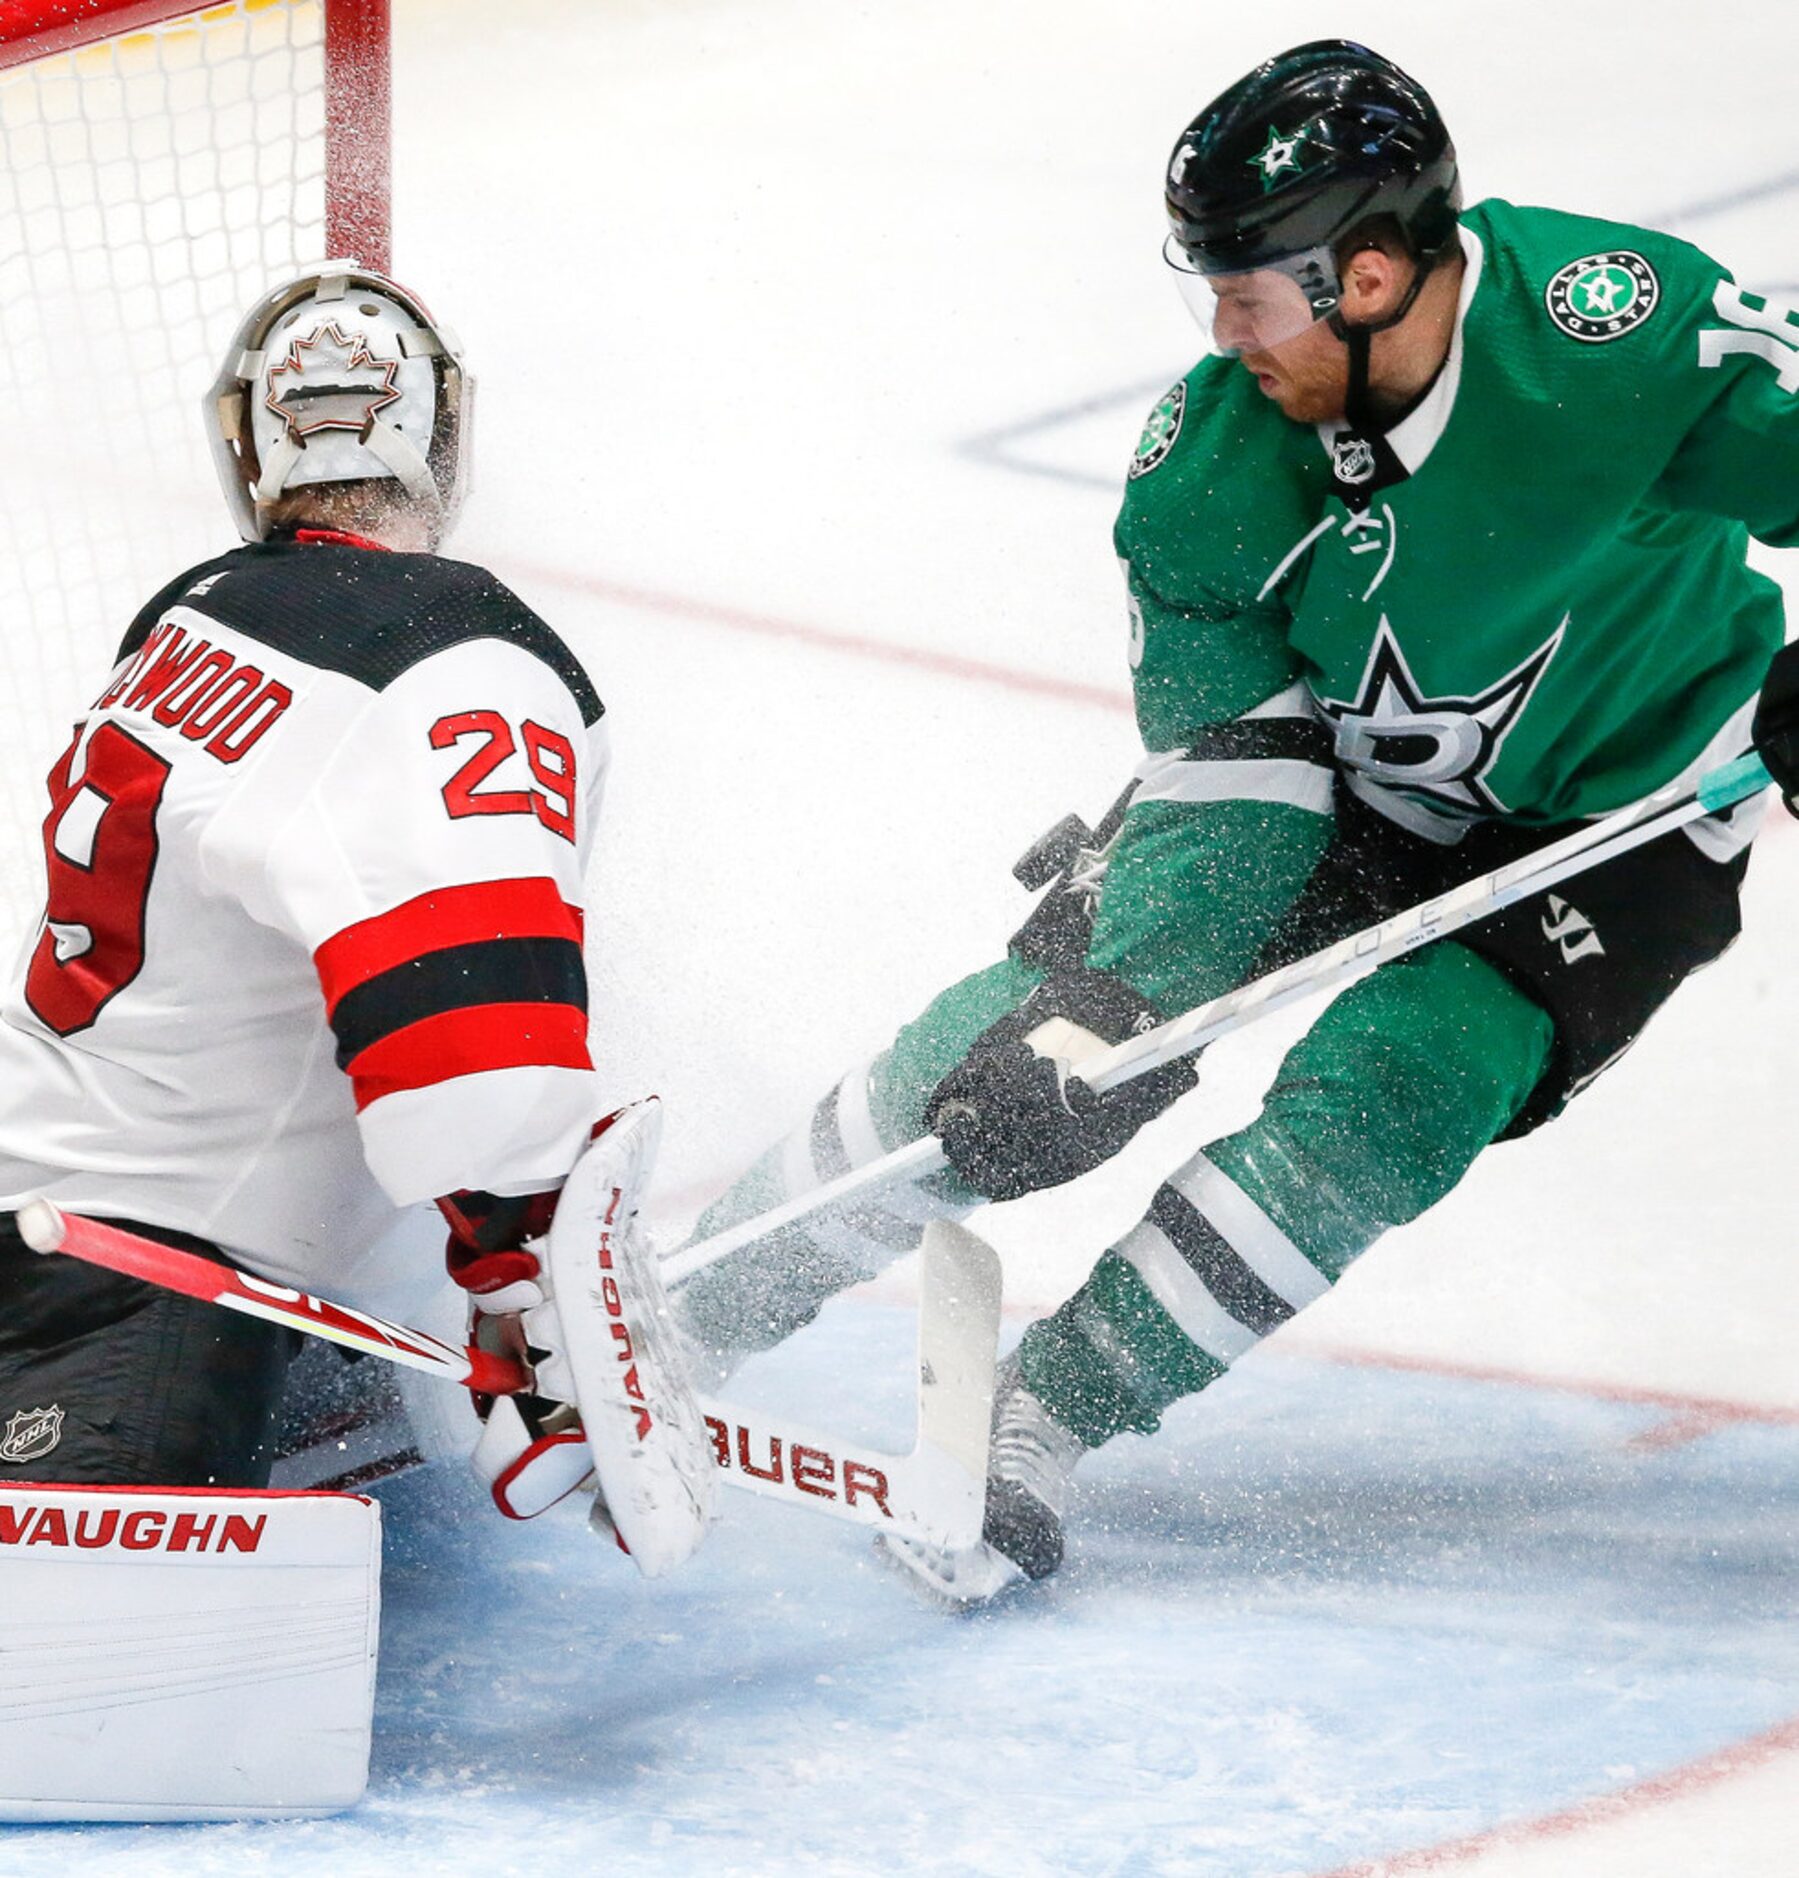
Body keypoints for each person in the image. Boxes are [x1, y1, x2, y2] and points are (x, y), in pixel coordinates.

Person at [670, 39, 1799, 1603]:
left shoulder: (1618, 333)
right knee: (1052, 1034)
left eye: (1250, 292)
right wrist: (1116, 1003)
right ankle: (683, 1308)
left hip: (1630, 803)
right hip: (1337, 776)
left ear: (1377, 272)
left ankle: (1049, 1413)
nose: (1220, 335)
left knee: (1400, 1091)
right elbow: (1226, 795)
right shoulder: (1208, 474)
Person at [0, 265, 613, 1515]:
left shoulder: (186, 618)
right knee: (96, 1706)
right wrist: (531, 1318)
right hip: (146, 1302)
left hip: (45, 1222)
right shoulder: (450, 651)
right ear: (442, 434)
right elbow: (475, 1033)